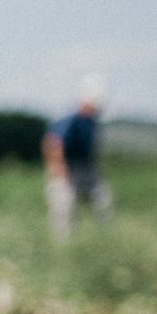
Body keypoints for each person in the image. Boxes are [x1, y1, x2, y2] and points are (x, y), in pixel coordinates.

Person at [44, 78, 111, 241]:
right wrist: (59, 168)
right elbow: (53, 142)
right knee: (65, 209)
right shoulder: (71, 120)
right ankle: (64, 247)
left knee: (103, 201)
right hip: (68, 168)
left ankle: (107, 239)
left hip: (86, 168)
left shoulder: (91, 122)